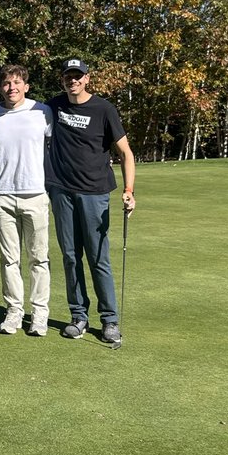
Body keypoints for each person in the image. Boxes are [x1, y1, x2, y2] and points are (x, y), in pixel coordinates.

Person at [46, 57, 136, 347]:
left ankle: (109, 320)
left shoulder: (104, 109)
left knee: (99, 258)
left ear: (87, 79)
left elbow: (126, 153)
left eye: (78, 76)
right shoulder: (53, 105)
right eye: (68, 76)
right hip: (61, 191)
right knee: (71, 256)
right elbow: (20, 109)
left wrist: (129, 189)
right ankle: (78, 316)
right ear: (63, 80)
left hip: (95, 192)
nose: (73, 81)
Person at [0, 64, 52, 336]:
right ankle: (14, 312)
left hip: (35, 195)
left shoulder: (43, 112)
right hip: (3, 195)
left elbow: (58, 148)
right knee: (9, 259)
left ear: (26, 86)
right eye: (7, 84)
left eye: (17, 83)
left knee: (38, 259)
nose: (12, 88)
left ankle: (40, 314)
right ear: (0, 88)